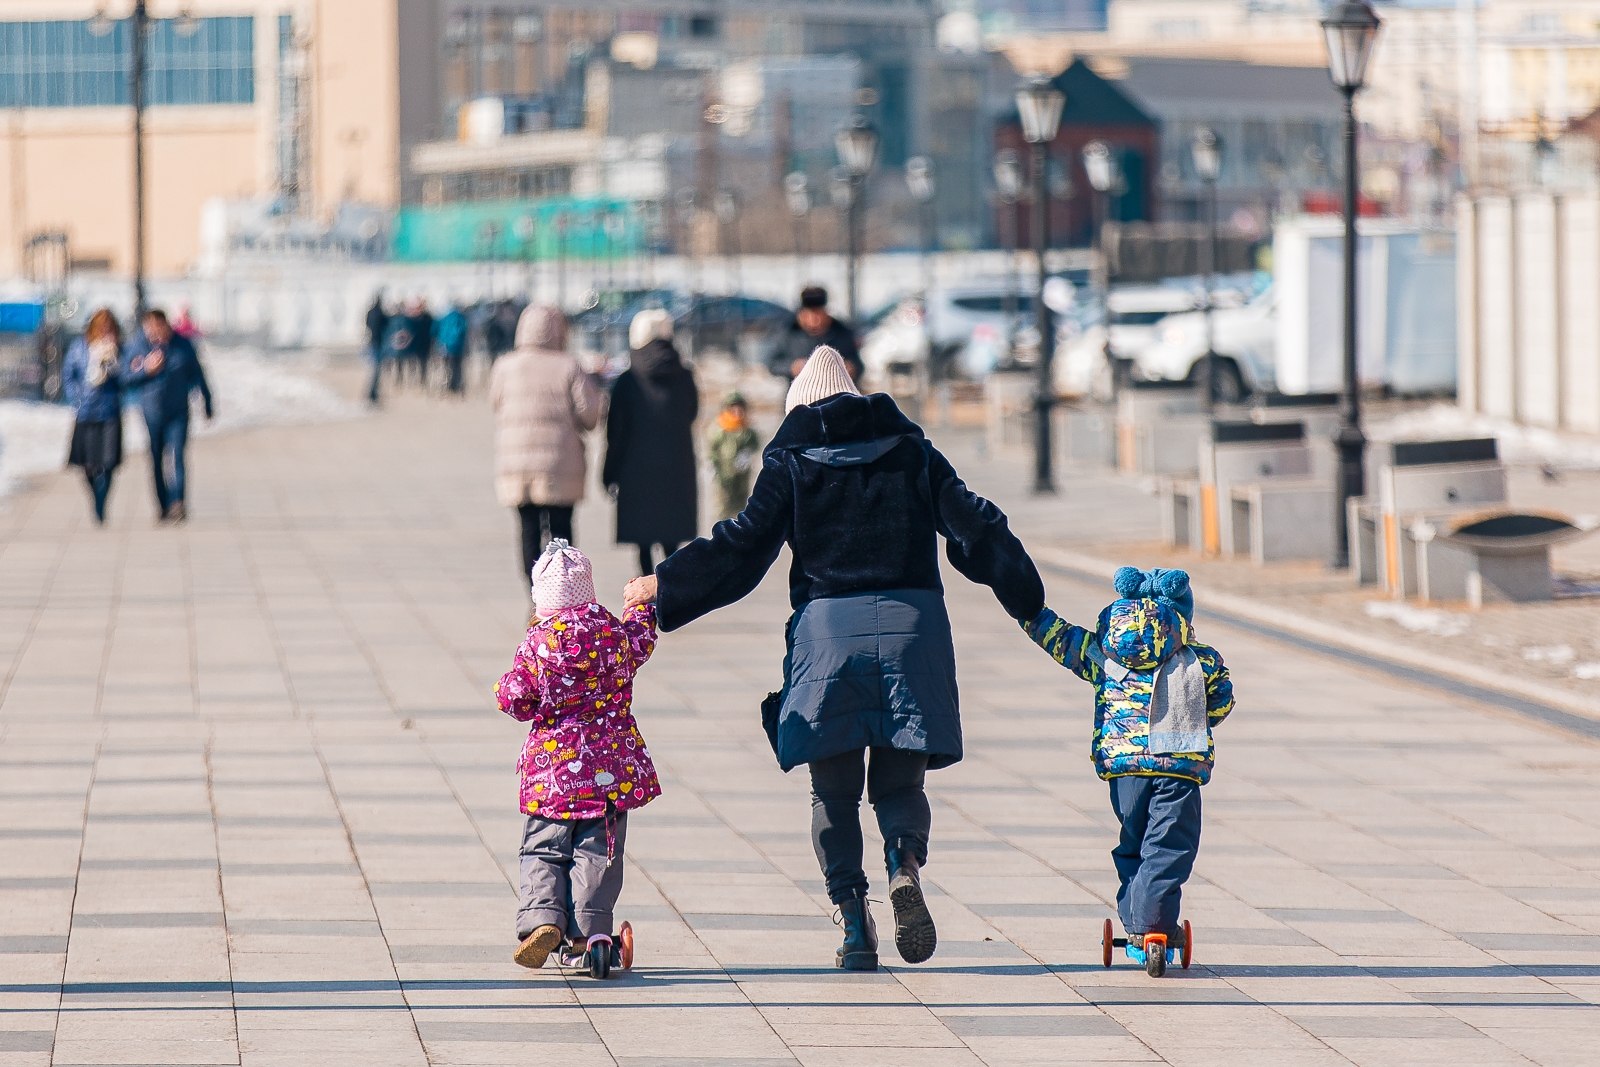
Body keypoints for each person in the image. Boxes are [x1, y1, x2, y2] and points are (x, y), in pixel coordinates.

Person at [623, 346, 1044, 972]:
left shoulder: (791, 462)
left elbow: (740, 549)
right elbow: (975, 527)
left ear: (801, 408)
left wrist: (665, 586)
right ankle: (903, 863)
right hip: (913, 632)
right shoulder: (913, 453)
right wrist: (1025, 596)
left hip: (829, 637)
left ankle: (853, 922)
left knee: (834, 791)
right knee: (901, 780)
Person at [1021, 566, 1234, 971]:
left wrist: (1026, 609)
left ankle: (1138, 919)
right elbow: (1220, 704)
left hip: (1124, 773)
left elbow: (1059, 638)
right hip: (1177, 767)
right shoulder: (1201, 658)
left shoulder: (1102, 652)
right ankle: (1152, 923)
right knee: (1170, 845)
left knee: (1135, 842)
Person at [498, 539, 662, 970]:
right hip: (610, 772)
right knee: (598, 851)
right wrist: (641, 607)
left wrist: (504, 689)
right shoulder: (613, 636)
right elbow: (643, 638)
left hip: (553, 775)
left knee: (543, 848)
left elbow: (516, 699)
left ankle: (542, 919)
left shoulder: (538, 645)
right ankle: (590, 931)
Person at [489, 306, 602, 611]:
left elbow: (495, 402)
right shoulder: (569, 366)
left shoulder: (505, 365)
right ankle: (563, 599)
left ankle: (535, 596)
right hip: (560, 465)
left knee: (528, 530)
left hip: (517, 465)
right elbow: (590, 416)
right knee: (561, 532)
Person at [604, 309, 699, 577]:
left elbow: (615, 432)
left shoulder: (628, 380)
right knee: (673, 541)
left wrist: (609, 472)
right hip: (677, 467)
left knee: (643, 543)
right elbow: (692, 413)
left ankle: (647, 602)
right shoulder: (685, 376)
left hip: (636, 471)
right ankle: (673, 594)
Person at [123, 308, 214, 523]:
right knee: (155, 459)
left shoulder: (182, 345)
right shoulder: (138, 346)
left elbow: (198, 374)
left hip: (178, 411)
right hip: (151, 413)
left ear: (166, 325)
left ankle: (178, 503)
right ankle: (162, 505)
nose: (154, 332)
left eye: (158, 326)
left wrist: (207, 402)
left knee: (178, 457)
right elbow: (125, 378)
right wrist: (146, 370)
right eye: (150, 327)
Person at [63, 308, 125, 524]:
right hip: (86, 411)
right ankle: (95, 497)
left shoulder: (119, 348)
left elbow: (127, 378)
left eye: (109, 326)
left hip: (109, 410)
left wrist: (114, 361)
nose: (105, 330)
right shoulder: (80, 347)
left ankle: (102, 501)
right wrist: (76, 398)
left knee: (108, 462)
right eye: (101, 326)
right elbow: (68, 374)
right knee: (87, 464)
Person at [768, 286, 863, 384]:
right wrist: (792, 367)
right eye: (810, 314)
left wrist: (851, 368)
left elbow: (858, 364)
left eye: (818, 313)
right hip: (801, 394)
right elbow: (772, 364)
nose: (814, 319)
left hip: (836, 394)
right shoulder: (789, 332)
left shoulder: (841, 332)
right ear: (801, 314)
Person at [706, 391, 760, 522]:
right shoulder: (719, 428)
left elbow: (754, 444)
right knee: (723, 506)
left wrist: (747, 455)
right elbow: (712, 449)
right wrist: (712, 465)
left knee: (740, 507)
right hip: (723, 475)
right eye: (734, 407)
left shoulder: (747, 430)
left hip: (741, 477)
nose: (737, 411)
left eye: (740, 407)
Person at [436, 301, 470, 395]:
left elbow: (436, 331)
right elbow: (462, 331)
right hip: (457, 348)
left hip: (444, 347)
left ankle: (447, 386)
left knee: (446, 368)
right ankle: (455, 386)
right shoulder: (460, 318)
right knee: (457, 368)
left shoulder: (443, 318)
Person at [365, 293, 389, 405]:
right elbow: (385, 324)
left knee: (373, 369)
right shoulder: (380, 313)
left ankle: (372, 393)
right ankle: (372, 394)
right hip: (378, 343)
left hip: (372, 342)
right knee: (376, 370)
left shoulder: (370, 312)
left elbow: (368, 325)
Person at [413, 298, 436, 387]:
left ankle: (422, 380)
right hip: (418, 343)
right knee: (415, 364)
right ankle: (417, 380)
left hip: (425, 343)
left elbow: (432, 330)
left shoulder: (428, 317)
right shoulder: (415, 318)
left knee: (423, 364)